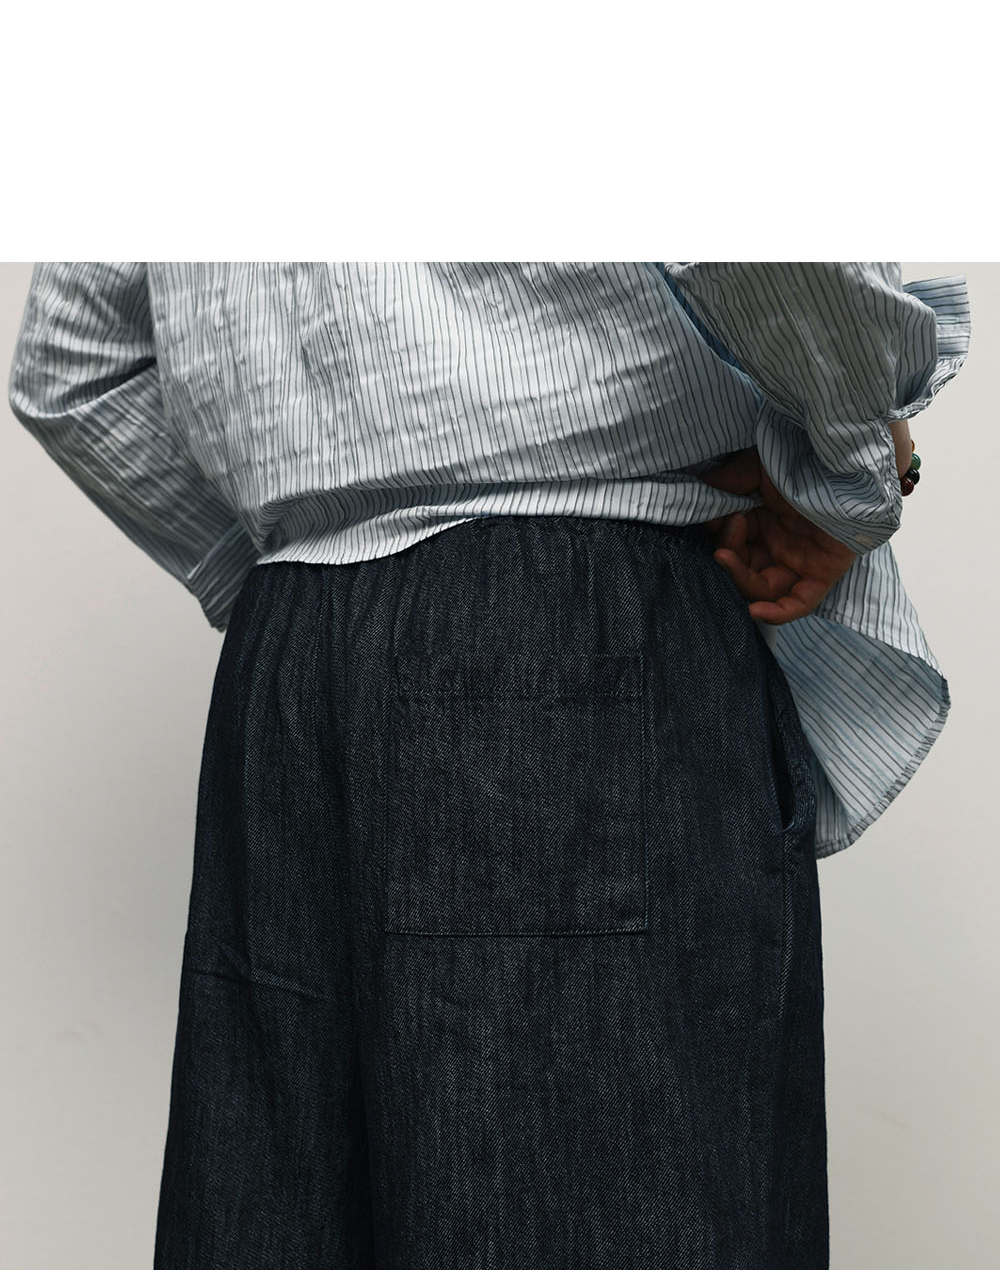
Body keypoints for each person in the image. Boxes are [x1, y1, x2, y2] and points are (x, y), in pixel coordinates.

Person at [8, 262, 970, 1268]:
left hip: (289, 664)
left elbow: (73, 364)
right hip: (566, 628)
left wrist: (281, 582)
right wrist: (847, 465)